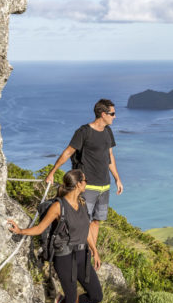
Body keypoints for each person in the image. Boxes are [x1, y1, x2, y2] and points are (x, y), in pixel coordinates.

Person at [7, 169, 102, 303]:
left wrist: (95, 250)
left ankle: (63, 301)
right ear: (78, 184)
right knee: (72, 294)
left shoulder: (81, 202)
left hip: (83, 255)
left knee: (96, 296)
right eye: (85, 180)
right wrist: (20, 231)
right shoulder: (58, 206)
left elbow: (86, 229)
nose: (87, 183)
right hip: (65, 257)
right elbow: (40, 228)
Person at [45, 99, 122, 249]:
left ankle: (91, 253)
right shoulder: (84, 132)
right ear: (102, 114)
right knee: (83, 221)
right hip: (87, 186)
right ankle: (80, 252)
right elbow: (68, 152)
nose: (115, 116)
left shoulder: (108, 131)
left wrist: (117, 179)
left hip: (104, 186)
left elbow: (110, 156)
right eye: (112, 113)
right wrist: (52, 172)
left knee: (96, 221)